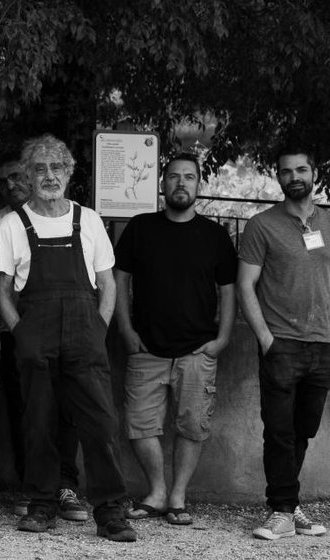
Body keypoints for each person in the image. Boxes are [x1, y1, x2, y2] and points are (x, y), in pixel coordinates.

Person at [0, 134, 135, 542]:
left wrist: (98, 329)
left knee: (100, 423)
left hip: (85, 333)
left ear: (69, 172)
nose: (49, 176)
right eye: (39, 169)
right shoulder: (12, 224)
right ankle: (42, 504)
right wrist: (21, 333)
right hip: (35, 335)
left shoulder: (87, 220)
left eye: (57, 167)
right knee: (38, 422)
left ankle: (110, 512)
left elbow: (107, 284)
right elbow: (3, 289)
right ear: (28, 175)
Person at [113, 153, 237, 527]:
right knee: (139, 425)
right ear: (162, 183)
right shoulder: (140, 228)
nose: (181, 183)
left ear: (199, 184)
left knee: (192, 425)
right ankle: (156, 492)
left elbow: (228, 290)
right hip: (146, 347)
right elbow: (120, 280)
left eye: (189, 177)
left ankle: (178, 496)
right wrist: (125, 330)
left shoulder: (215, 235)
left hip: (197, 349)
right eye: (173, 176)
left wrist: (222, 338)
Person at [237, 147, 330, 540]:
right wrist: (265, 338)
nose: (295, 177)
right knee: (278, 431)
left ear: (314, 174)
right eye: (286, 171)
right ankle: (282, 509)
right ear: (278, 177)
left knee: (302, 430)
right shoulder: (262, 225)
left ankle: (290, 507)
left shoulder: (328, 222)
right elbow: (245, 285)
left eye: (301, 169)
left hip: (323, 344)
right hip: (281, 344)